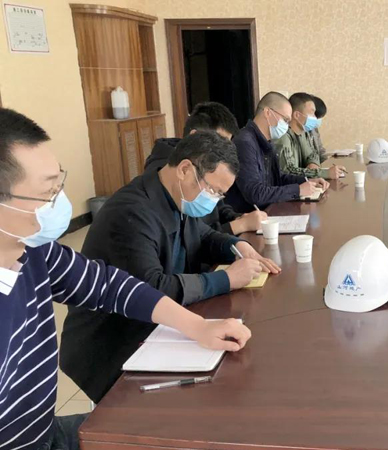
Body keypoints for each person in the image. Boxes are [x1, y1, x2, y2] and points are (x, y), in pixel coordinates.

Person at [0, 108, 251, 450]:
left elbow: (109, 285)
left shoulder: (36, 251)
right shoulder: (133, 209)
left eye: (60, 184)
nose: (60, 203)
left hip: (44, 430)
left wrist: (198, 327)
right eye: (48, 192)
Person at [60, 131, 280, 403]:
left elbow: (203, 235)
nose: (214, 200)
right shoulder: (131, 212)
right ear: (185, 170)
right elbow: (152, 288)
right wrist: (226, 279)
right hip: (113, 343)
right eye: (213, 191)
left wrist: (236, 245)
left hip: (159, 327)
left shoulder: (177, 197)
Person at [144, 101, 267, 235]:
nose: (224, 152)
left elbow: (218, 209)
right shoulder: (171, 175)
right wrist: (240, 225)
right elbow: (193, 238)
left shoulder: (207, 169)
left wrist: (237, 217)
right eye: (218, 143)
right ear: (194, 137)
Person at [224, 91, 328, 214]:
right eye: (285, 120)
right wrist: (298, 190)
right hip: (250, 217)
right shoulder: (245, 142)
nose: (287, 126)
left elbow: (278, 178)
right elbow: (255, 194)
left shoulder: (267, 140)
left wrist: (306, 181)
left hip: (269, 211)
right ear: (268, 112)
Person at [274, 92, 345, 179]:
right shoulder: (283, 136)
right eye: (312, 113)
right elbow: (288, 171)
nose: (315, 117)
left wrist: (313, 163)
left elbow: (312, 154)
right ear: (297, 115)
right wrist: (324, 173)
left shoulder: (303, 133)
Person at [309, 95, 329, 163]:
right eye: (317, 117)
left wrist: (327, 162)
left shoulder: (314, 129)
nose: (318, 120)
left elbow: (320, 150)